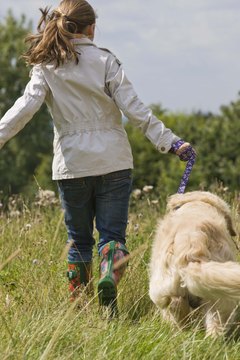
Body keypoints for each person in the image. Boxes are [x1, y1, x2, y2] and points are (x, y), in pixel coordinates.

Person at [0, 0, 195, 312]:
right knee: (112, 237)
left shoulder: (46, 66)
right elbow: (137, 111)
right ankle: (109, 281)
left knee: (79, 241)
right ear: (91, 28)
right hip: (114, 163)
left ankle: (79, 309)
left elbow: (24, 108)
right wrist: (171, 143)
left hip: (72, 165)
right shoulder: (106, 61)